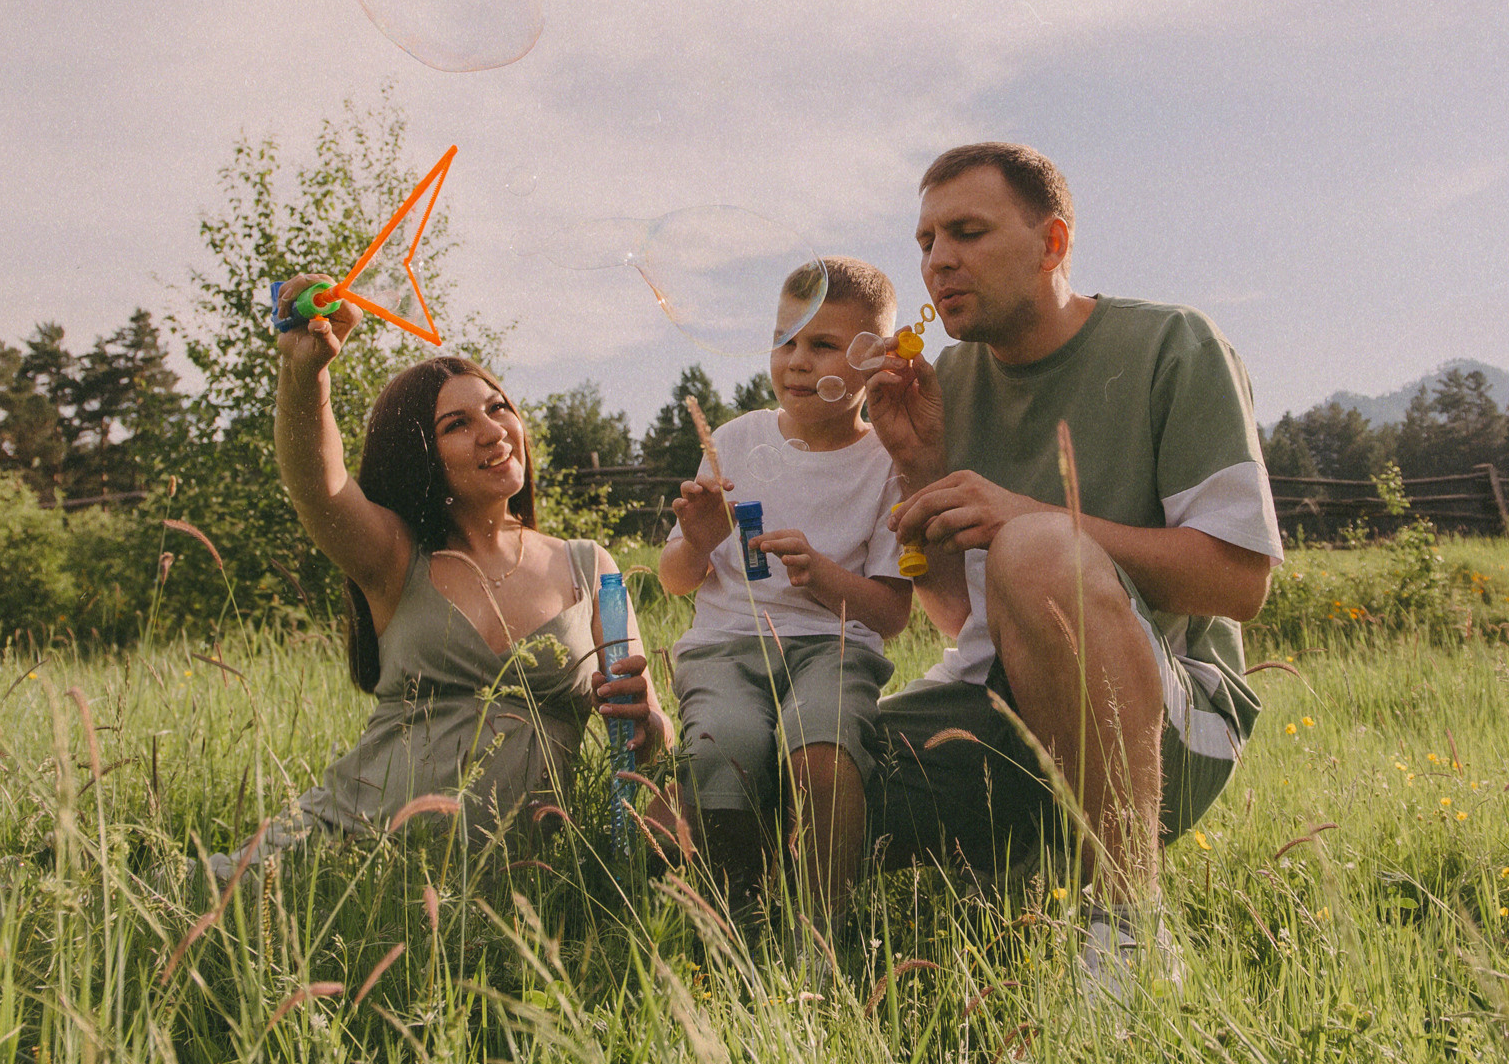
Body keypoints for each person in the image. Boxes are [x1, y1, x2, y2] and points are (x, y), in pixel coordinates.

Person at [862, 142, 1283, 991]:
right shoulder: (946, 379)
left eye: (968, 232)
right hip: (997, 707)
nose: (939, 259)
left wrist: (1030, 518)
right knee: (804, 765)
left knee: (1038, 546)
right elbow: (961, 623)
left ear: (1053, 244)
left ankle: (1128, 931)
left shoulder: (1174, 344)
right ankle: (1001, 866)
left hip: (1173, 720)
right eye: (926, 241)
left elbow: (1240, 582)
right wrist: (917, 469)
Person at [202, 275, 670, 881]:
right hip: (347, 860)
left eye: (499, 407)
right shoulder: (395, 557)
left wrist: (647, 726)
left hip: (511, 891)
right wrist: (304, 372)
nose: (493, 430)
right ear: (422, 453)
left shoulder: (588, 565)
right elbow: (319, 483)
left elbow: (648, 736)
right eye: (457, 425)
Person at [658, 259, 912, 965]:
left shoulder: (888, 464)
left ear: (873, 361)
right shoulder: (735, 441)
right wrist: (701, 542)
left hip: (832, 647)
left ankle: (822, 931)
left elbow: (891, 613)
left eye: (823, 345)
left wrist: (825, 578)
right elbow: (675, 578)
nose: (797, 361)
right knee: (724, 747)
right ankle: (735, 922)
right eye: (785, 340)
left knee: (825, 751)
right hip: (727, 647)